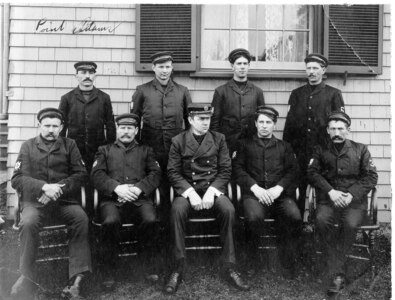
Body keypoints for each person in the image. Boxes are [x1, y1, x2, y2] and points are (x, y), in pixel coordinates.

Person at [165, 103, 249, 294]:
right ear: (190, 120)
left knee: (229, 209)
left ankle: (229, 266)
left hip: (213, 188)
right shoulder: (178, 141)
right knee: (176, 210)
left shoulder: (219, 139)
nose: (205, 123)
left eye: (208, 119)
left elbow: (226, 169)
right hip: (188, 191)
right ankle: (178, 266)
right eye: (201, 119)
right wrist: (190, 193)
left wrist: (212, 191)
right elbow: (173, 172)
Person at [10, 108, 91, 299]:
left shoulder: (70, 145)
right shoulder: (28, 146)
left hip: (64, 202)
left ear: (61, 127)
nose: (51, 130)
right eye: (47, 126)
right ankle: (25, 275)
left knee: (81, 219)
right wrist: (44, 187)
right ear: (38, 125)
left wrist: (57, 189)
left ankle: (77, 279)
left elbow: (80, 175)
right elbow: (17, 179)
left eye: (55, 126)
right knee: (28, 222)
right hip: (35, 203)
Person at [307, 111, 378, 296]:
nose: (336, 132)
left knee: (351, 224)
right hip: (328, 200)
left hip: (353, 203)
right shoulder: (320, 150)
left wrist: (351, 194)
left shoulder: (361, 149)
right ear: (328, 131)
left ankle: (334, 272)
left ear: (348, 130)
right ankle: (338, 272)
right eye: (333, 129)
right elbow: (312, 173)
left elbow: (371, 176)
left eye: (340, 128)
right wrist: (330, 191)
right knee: (322, 221)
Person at [91, 113, 162, 290]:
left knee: (150, 220)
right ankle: (109, 271)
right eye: (123, 128)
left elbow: (156, 173)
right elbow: (97, 175)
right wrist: (116, 188)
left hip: (140, 199)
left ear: (136, 130)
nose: (126, 132)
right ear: (117, 129)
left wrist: (138, 188)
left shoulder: (146, 150)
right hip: (113, 200)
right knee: (110, 222)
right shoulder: (104, 150)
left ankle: (146, 266)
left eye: (130, 128)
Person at [232, 106, 302, 278]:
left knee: (294, 216)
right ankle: (253, 261)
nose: (264, 126)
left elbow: (293, 171)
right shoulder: (244, 145)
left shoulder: (284, 147)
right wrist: (255, 188)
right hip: (253, 195)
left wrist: (278, 188)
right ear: (255, 124)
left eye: (268, 122)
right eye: (261, 122)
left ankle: (287, 261)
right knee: (253, 217)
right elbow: (237, 169)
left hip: (278, 195)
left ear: (274, 125)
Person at [283, 53, 345, 215]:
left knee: (323, 194)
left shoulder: (333, 94)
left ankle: (321, 232)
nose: (311, 72)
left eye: (315, 68)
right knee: (296, 191)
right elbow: (289, 127)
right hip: (300, 153)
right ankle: (298, 233)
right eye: (308, 68)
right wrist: (289, 152)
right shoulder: (297, 94)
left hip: (324, 153)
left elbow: (338, 127)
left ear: (323, 70)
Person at [59, 61, 116, 172]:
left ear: (95, 76)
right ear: (76, 76)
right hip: (74, 150)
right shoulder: (67, 98)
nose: (87, 76)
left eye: (90, 73)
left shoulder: (104, 98)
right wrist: (62, 148)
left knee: (96, 178)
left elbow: (110, 126)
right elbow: (61, 126)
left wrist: (109, 149)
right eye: (83, 72)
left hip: (98, 150)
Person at [211, 48, 265, 155]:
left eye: (245, 63)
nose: (242, 67)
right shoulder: (221, 91)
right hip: (227, 144)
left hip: (251, 143)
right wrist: (218, 145)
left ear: (249, 66)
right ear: (232, 66)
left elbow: (263, 119)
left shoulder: (257, 92)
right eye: (239, 63)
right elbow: (214, 122)